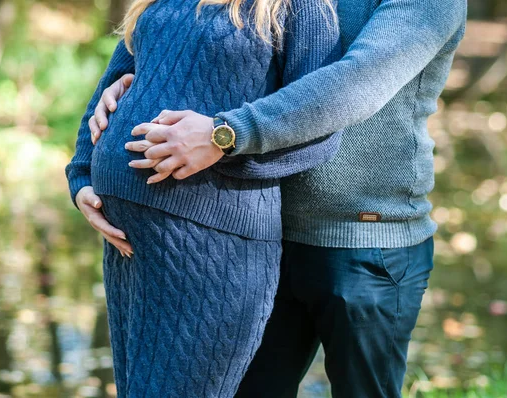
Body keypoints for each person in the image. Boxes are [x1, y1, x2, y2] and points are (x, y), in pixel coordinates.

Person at [91, 0, 468, 396]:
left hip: (366, 242)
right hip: (259, 240)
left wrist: (226, 133)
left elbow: (357, 82)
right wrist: (138, 87)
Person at [65, 0, 342, 396]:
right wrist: (82, 176)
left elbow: (317, 129)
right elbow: (110, 91)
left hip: (212, 244)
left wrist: (219, 149)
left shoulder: (299, 7)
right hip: (129, 243)